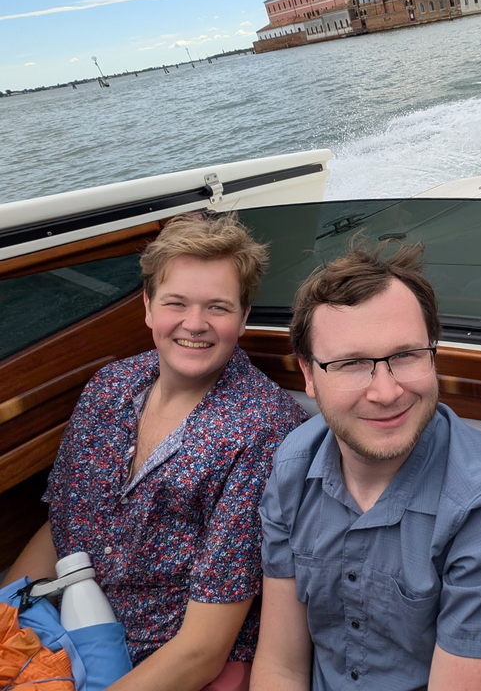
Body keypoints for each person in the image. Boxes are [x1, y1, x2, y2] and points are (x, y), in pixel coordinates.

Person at [3, 212, 308, 691]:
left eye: (218, 307)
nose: (195, 324)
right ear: (147, 306)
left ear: (244, 317)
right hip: (63, 627)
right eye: (176, 303)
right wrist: (4, 616)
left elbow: (202, 651)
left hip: (161, 661)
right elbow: (60, 524)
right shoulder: (110, 387)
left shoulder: (262, 432)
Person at [253, 243, 481, 691]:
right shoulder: (294, 465)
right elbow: (281, 667)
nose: (386, 392)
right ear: (309, 375)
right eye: (352, 363)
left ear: (433, 355)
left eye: (405, 355)